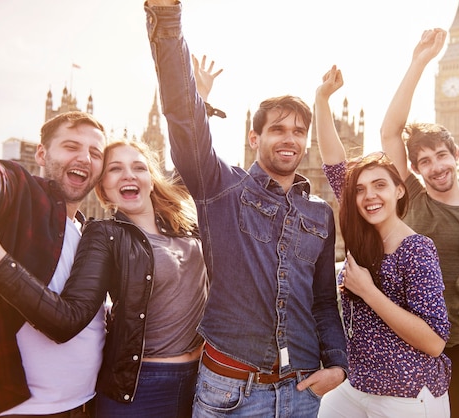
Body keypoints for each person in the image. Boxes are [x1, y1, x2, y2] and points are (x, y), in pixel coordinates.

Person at [144, 1, 348, 417]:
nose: (288, 138)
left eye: (297, 131)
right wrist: (168, 20)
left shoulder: (320, 214)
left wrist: (339, 365)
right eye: (276, 129)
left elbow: (325, 301)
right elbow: (184, 118)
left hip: (301, 393)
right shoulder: (221, 187)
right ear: (253, 138)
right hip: (230, 394)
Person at [0, 139, 209, 417]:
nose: (128, 174)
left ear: (152, 179)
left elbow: (196, 158)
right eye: (115, 169)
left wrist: (197, 103)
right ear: (103, 189)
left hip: (201, 381)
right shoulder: (105, 234)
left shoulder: (187, 227)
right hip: (141, 387)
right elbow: (67, 318)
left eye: (138, 167)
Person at [379, 29, 459, 417]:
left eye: (441, 156)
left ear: (455, 154)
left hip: (452, 349)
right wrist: (419, 61)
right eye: (424, 162)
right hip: (393, 340)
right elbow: (389, 131)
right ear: (415, 169)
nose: (435, 167)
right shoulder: (412, 195)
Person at [314, 65, 451, 417]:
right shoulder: (363, 234)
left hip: (406, 395)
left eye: (380, 186)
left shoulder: (417, 248)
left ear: (399, 190)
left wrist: (368, 291)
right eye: (359, 189)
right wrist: (321, 99)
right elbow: (333, 161)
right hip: (357, 384)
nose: (369, 196)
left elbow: (434, 342)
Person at [0, 111, 107, 417]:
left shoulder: (87, 230)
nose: (84, 158)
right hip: (21, 408)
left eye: (95, 152)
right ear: (41, 153)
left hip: (85, 404)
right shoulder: (23, 193)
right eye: (71, 146)